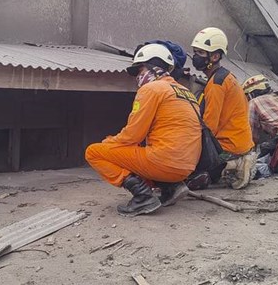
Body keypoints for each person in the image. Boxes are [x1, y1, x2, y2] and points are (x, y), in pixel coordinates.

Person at [85, 44, 202, 217]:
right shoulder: (186, 92)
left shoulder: (151, 89)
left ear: (152, 68)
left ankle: (143, 196)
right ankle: (170, 186)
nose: (137, 77)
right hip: (187, 167)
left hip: (164, 162)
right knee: (143, 150)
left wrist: (109, 142)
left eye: (139, 71)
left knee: (94, 152)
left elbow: (133, 135)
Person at [185, 27, 256, 190]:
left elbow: (209, 125)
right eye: (195, 52)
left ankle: (234, 164)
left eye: (201, 53)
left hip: (229, 144)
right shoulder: (225, 77)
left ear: (215, 56)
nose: (196, 57)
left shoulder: (216, 84)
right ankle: (231, 166)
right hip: (240, 141)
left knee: (188, 165)